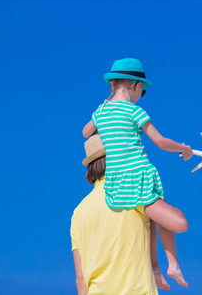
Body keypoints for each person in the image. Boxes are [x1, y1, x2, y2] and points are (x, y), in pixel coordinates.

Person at [82, 58, 193, 288]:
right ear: (135, 85)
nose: (142, 94)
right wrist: (184, 148)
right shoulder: (134, 111)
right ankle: (172, 264)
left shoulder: (101, 112)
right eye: (143, 89)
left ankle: (156, 270)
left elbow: (86, 132)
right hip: (138, 176)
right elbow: (161, 142)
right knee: (178, 221)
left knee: (152, 219)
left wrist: (103, 122)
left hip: (116, 184)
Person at [71, 135, 188, 294]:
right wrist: (159, 198)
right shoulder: (129, 189)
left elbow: (81, 281)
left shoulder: (78, 212)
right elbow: (179, 223)